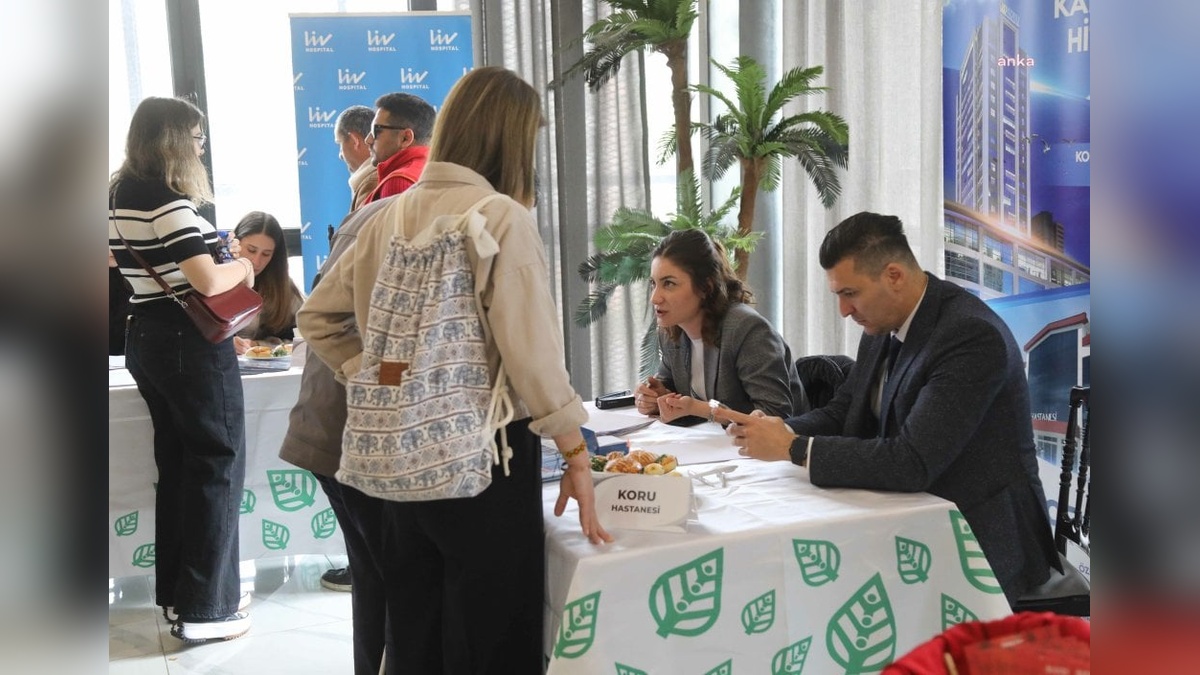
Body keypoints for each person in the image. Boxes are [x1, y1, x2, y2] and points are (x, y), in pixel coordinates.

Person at [299, 66, 612, 674]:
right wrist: (576, 454)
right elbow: (532, 354)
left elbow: (318, 319)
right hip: (484, 458)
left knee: (416, 630)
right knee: (491, 634)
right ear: (512, 139)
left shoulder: (385, 213)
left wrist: (386, 377)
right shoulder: (499, 217)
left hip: (400, 456)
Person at [720, 211, 1060, 605]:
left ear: (894, 276)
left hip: (980, 533)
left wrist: (791, 448)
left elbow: (912, 462)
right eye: (838, 296)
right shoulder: (882, 324)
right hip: (911, 514)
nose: (844, 310)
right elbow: (844, 413)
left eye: (850, 293)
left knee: (825, 586)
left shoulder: (970, 336)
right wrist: (782, 429)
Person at [108, 96, 255, 642]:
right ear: (173, 140)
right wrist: (240, 263)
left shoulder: (116, 193)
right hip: (188, 342)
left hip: (143, 335)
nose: (200, 147)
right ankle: (207, 610)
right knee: (217, 464)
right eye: (195, 138)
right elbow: (209, 282)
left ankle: (177, 594)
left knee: (177, 466)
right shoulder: (169, 203)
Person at [633, 228, 808, 424]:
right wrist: (657, 396)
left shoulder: (747, 329)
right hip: (716, 447)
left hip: (771, 452)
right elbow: (671, 387)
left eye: (669, 284)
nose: (655, 298)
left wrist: (702, 409)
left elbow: (775, 415)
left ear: (705, 288)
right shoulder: (672, 331)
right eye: (653, 284)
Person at [229, 211, 304, 354]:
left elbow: (302, 340)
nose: (256, 261)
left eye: (266, 254)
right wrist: (224, 344)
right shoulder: (215, 278)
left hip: (269, 371)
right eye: (251, 250)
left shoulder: (283, 287)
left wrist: (259, 345)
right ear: (235, 243)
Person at [362, 92, 435, 205]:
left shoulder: (399, 182)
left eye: (376, 130)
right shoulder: (435, 170)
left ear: (406, 138)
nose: (368, 140)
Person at [334, 105, 379, 212]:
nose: (340, 155)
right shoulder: (378, 177)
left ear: (355, 141)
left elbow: (364, 228)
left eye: (340, 143)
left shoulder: (372, 183)